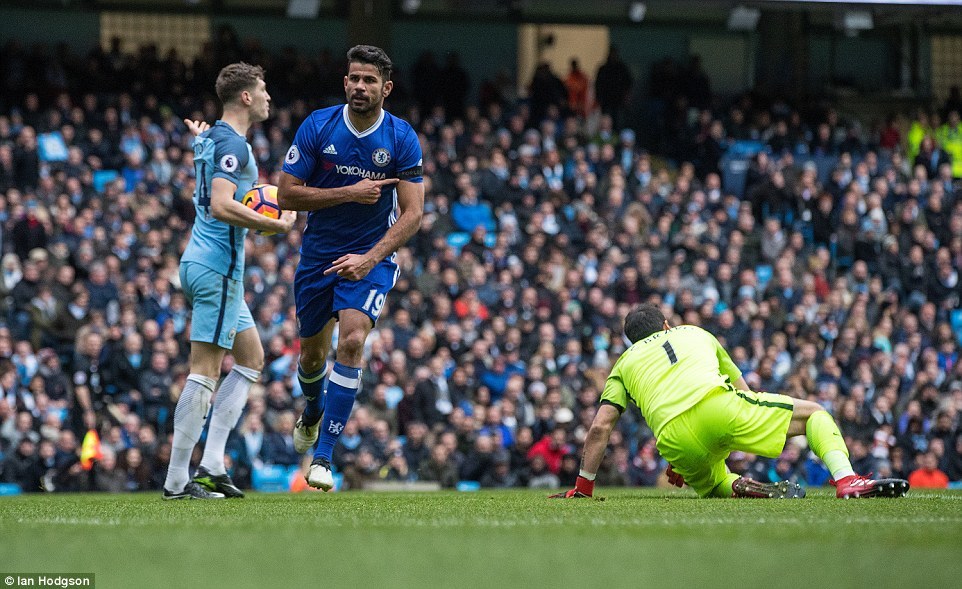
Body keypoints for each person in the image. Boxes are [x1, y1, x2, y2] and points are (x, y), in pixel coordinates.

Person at [552, 303, 910, 500]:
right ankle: (847, 479)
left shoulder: (624, 363)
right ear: (666, 324)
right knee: (816, 413)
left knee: (711, 482)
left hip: (672, 441)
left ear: (631, 341)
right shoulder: (694, 332)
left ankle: (736, 484)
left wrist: (583, 486)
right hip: (717, 406)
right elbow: (746, 393)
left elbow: (600, 426)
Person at [277, 45, 424, 491]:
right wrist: (348, 192)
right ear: (345, 82)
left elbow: (413, 214)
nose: (360, 86)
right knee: (311, 356)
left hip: (370, 254)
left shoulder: (401, 138)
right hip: (319, 256)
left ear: (386, 88)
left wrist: (371, 259)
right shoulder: (317, 126)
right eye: (354, 79)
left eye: (370, 80)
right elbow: (286, 195)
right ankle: (312, 409)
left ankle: (323, 457)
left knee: (354, 338)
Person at [162, 63, 296, 500]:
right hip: (216, 267)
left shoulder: (213, 139)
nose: (268, 97)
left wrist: (201, 136)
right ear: (245, 97)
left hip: (214, 268)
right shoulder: (232, 144)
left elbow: (211, 163)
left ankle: (213, 464)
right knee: (203, 373)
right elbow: (221, 204)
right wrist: (270, 225)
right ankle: (177, 482)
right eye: (263, 89)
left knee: (252, 358)